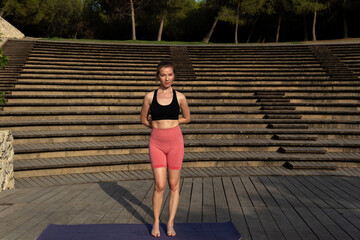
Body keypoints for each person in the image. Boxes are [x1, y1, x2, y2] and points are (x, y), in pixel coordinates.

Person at [140, 60, 190, 237]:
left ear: (174, 75)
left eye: (170, 74)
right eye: (163, 74)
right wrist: (156, 127)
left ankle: (170, 223)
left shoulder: (180, 97)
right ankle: (155, 222)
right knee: (160, 185)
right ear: (157, 76)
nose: (166, 78)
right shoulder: (149, 97)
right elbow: (144, 119)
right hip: (156, 143)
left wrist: (175, 122)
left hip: (175, 142)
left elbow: (187, 117)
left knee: (173, 184)